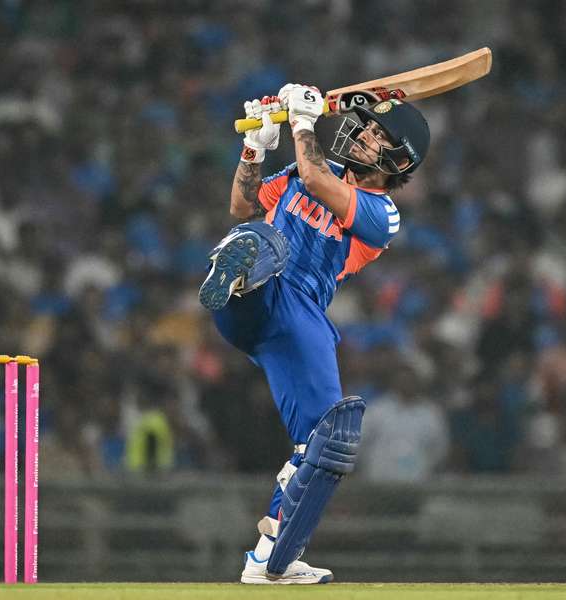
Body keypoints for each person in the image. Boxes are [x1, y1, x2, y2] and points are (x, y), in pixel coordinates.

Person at [199, 84, 430, 584]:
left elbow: (313, 174)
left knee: (328, 440)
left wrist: (301, 125)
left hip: (300, 318)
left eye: (374, 135)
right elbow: (243, 205)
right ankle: (236, 275)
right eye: (365, 127)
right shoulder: (307, 173)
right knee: (259, 236)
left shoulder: (380, 213)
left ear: (396, 161)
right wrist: (254, 149)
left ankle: (269, 560)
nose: (361, 135)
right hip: (261, 298)